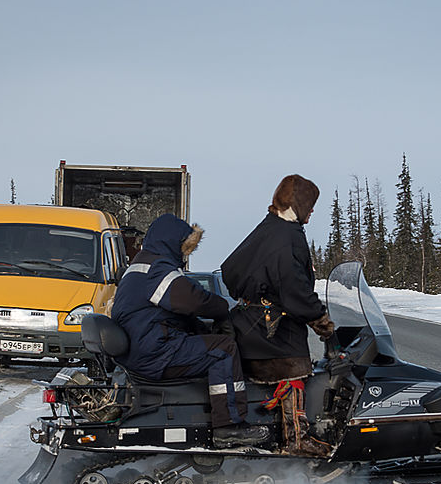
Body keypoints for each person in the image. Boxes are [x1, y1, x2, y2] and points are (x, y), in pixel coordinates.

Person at [111, 213, 270, 448]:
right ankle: (229, 426)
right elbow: (193, 300)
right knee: (224, 350)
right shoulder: (159, 269)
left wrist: (200, 328)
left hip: (140, 348)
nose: (185, 255)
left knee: (206, 340)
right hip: (155, 352)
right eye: (184, 247)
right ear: (171, 242)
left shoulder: (138, 266)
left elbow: (173, 313)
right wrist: (222, 307)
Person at [221, 174, 334, 456]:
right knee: (294, 372)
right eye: (310, 205)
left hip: (248, 321)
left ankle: (273, 433)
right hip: (270, 328)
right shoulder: (288, 236)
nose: (311, 211)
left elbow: (229, 269)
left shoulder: (267, 227)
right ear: (299, 204)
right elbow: (294, 287)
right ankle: (296, 440)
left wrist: (252, 295)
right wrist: (321, 320)